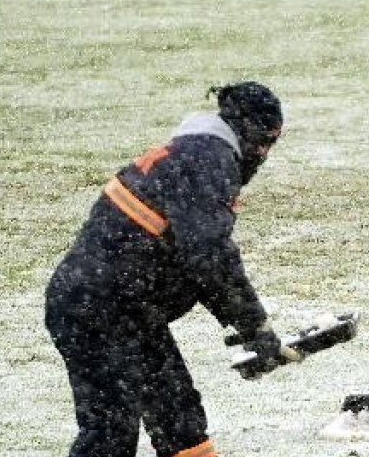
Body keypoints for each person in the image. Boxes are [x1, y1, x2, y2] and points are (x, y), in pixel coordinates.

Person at [45, 82, 299, 457]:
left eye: (271, 144)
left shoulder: (194, 152)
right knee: (110, 432)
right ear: (241, 127)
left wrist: (246, 327)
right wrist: (253, 325)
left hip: (123, 307)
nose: (262, 154)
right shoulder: (209, 158)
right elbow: (209, 255)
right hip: (98, 309)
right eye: (262, 140)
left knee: (179, 418)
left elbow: (197, 260)